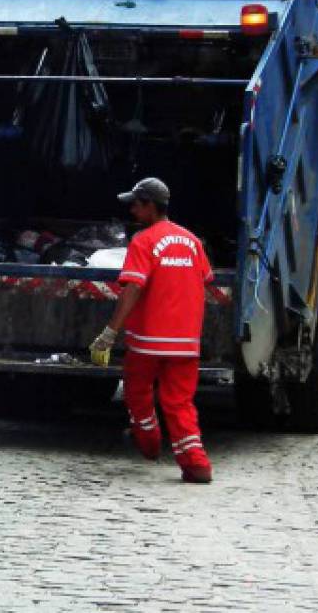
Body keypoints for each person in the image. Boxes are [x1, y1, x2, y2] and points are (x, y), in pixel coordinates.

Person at [89, 178, 215, 484]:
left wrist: (110, 332)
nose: (131, 209)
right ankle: (196, 464)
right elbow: (206, 282)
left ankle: (148, 441)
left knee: (137, 391)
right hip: (185, 342)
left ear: (150, 206)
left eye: (135, 203)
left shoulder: (143, 241)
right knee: (179, 402)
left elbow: (133, 287)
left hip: (148, 341)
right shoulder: (193, 242)